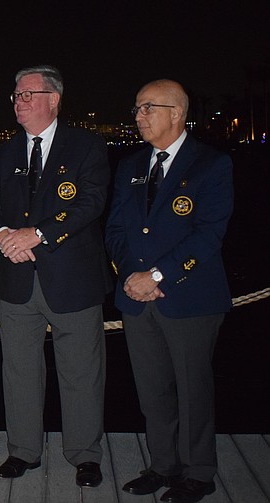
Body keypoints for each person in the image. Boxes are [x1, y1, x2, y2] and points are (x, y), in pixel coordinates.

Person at [0, 65, 111, 487]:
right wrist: (1, 237)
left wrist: (36, 235)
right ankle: (23, 451)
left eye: (27, 94)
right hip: (16, 278)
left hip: (72, 278)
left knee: (81, 372)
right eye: (16, 95)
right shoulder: (5, 152)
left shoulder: (87, 146)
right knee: (18, 371)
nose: (19, 101)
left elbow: (90, 203)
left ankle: (85, 456)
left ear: (54, 99)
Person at [106, 79, 232, 503]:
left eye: (148, 108)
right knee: (152, 389)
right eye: (138, 108)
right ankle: (162, 465)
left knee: (193, 390)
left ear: (177, 113)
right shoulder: (131, 166)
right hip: (136, 299)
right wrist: (130, 275)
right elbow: (118, 229)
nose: (138, 116)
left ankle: (199, 473)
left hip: (189, 298)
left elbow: (207, 234)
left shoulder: (210, 165)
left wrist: (156, 276)